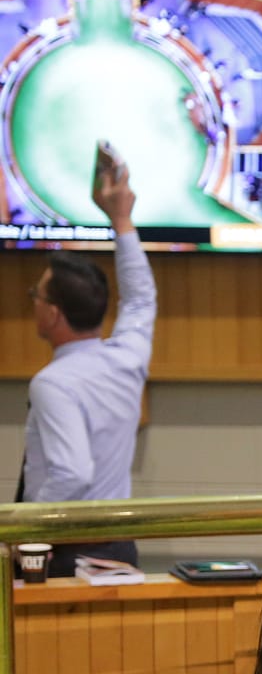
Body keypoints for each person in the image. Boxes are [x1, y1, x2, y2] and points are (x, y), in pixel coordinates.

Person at [18, 145, 156, 578]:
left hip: (64, 556)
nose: (34, 301)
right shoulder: (126, 358)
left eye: (36, 295)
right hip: (118, 548)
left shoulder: (53, 383)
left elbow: (73, 473)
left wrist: (21, 529)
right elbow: (140, 297)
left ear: (53, 314)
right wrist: (122, 220)